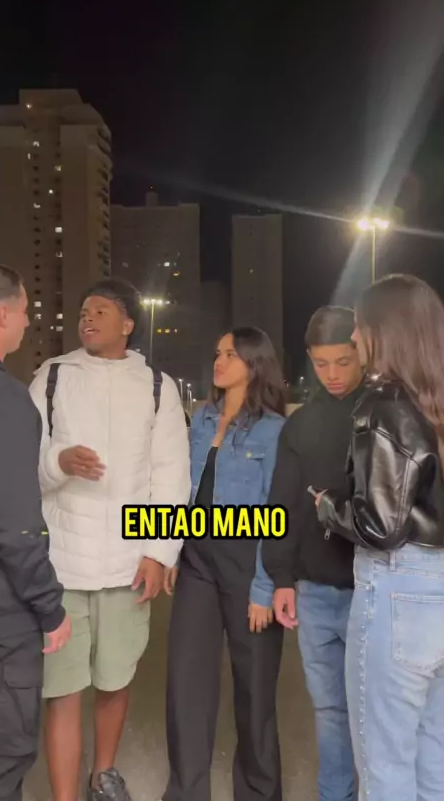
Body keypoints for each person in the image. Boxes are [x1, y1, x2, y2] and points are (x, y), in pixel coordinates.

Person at [29, 278, 190, 801]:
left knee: (115, 680)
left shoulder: (157, 386)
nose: (87, 318)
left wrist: (158, 553)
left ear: (127, 324)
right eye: (83, 310)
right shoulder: (53, 377)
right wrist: (59, 462)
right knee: (62, 688)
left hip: (126, 564)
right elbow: (24, 461)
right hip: (61, 564)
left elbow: (170, 476)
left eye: (100, 310)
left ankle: (103, 775)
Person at [316, 275, 444, 801]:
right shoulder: (436, 403)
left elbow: (381, 526)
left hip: (398, 593)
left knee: (386, 767)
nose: (354, 338)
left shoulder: (383, 406)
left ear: (383, 332)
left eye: (360, 327)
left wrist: (328, 506)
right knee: (434, 761)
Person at [162, 327, 287, 801]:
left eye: (230, 354)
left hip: (248, 561)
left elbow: (280, 512)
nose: (219, 361)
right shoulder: (201, 418)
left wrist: (264, 588)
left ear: (254, 364)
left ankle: (258, 792)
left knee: (254, 689)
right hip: (198, 559)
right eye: (217, 352)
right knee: (186, 683)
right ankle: (186, 791)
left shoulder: (274, 430)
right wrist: (171, 549)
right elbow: (182, 488)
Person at [0, 261, 70, 801]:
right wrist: (50, 608)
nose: (29, 322)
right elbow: (12, 526)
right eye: (26, 311)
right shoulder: (4, 401)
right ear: (2, 315)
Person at [257, 306, 365, 801]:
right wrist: (281, 579)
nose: (333, 374)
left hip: (372, 590)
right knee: (330, 711)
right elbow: (282, 508)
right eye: (322, 364)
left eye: (343, 361)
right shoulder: (299, 426)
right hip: (315, 594)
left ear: (363, 351)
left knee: (380, 712)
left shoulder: (385, 415)